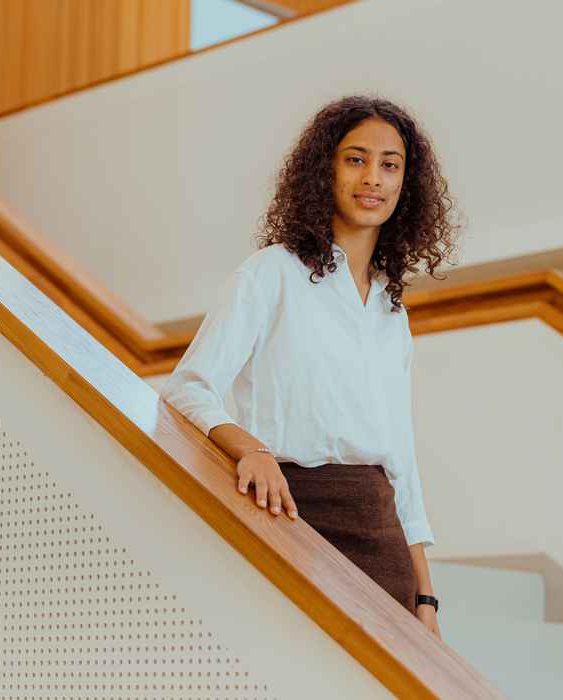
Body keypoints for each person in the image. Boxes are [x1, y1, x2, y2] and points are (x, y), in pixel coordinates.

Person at [159, 95, 462, 638]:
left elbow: (402, 461)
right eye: (355, 159)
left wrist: (427, 597)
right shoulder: (271, 273)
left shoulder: (392, 310)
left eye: (390, 164)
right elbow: (187, 388)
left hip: (382, 535)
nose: (373, 177)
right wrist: (251, 449)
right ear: (324, 169)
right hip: (291, 516)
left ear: (405, 184)